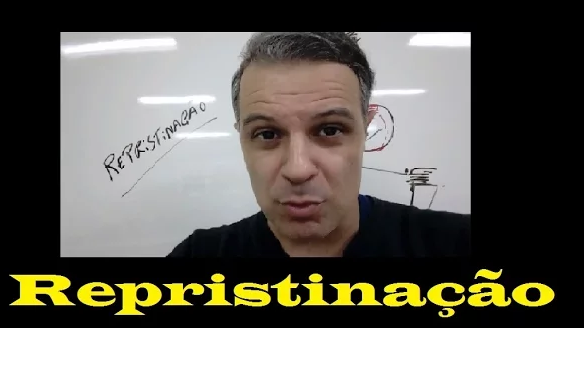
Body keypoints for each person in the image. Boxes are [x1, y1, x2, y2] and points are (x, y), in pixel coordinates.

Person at [168, 32, 470, 257]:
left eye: (329, 129)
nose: (298, 170)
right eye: (268, 134)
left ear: (366, 128)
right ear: (242, 138)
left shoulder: (456, 243)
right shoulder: (197, 255)